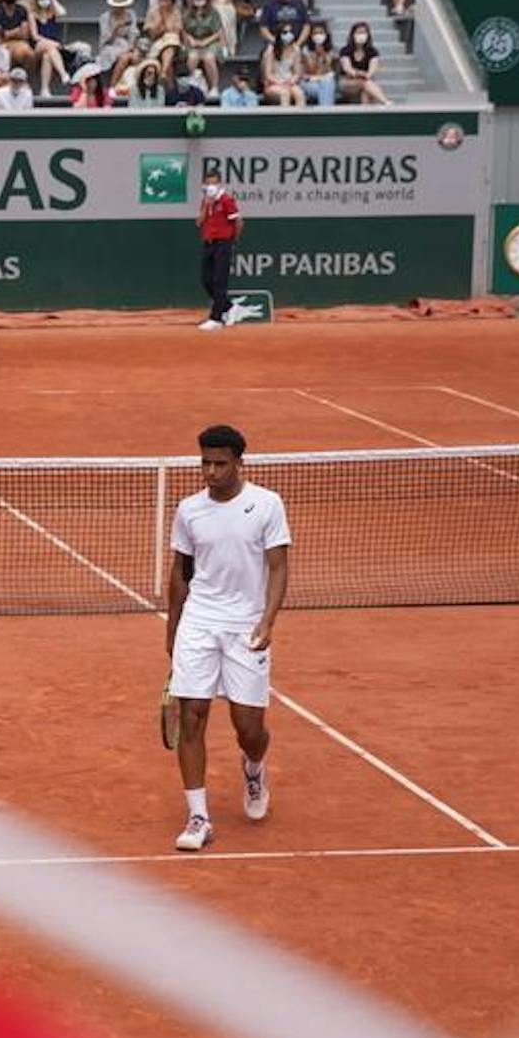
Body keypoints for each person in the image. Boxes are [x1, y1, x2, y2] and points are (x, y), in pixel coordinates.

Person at [163, 422, 290, 852]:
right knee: (192, 714)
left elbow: (277, 567)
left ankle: (254, 768)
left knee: (248, 727)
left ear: (239, 463)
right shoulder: (189, 510)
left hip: (246, 626)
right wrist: (172, 631)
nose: (211, 472)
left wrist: (268, 621)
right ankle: (198, 817)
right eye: (205, 463)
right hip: (199, 622)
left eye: (219, 464)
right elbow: (180, 575)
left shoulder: (267, 505)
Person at [196, 169, 242, 330]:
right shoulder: (205, 201)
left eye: (214, 183)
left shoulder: (227, 200)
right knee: (206, 280)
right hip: (208, 243)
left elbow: (238, 222)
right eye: (208, 183)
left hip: (224, 243)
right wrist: (206, 206)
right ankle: (229, 307)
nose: (211, 186)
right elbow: (199, 222)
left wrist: (232, 241)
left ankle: (216, 319)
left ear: (220, 183)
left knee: (219, 281)